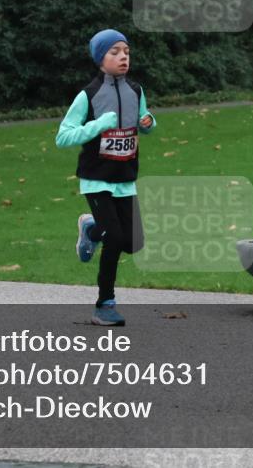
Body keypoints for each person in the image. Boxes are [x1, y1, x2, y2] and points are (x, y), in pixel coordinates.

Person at [55, 29, 156, 326]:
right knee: (115, 238)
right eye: (115, 52)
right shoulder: (88, 95)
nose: (123, 57)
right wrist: (97, 126)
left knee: (134, 242)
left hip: (125, 179)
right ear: (101, 59)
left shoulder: (135, 90)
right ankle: (104, 305)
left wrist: (148, 122)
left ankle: (91, 228)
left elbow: (144, 120)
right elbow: (63, 137)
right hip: (96, 178)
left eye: (126, 51)